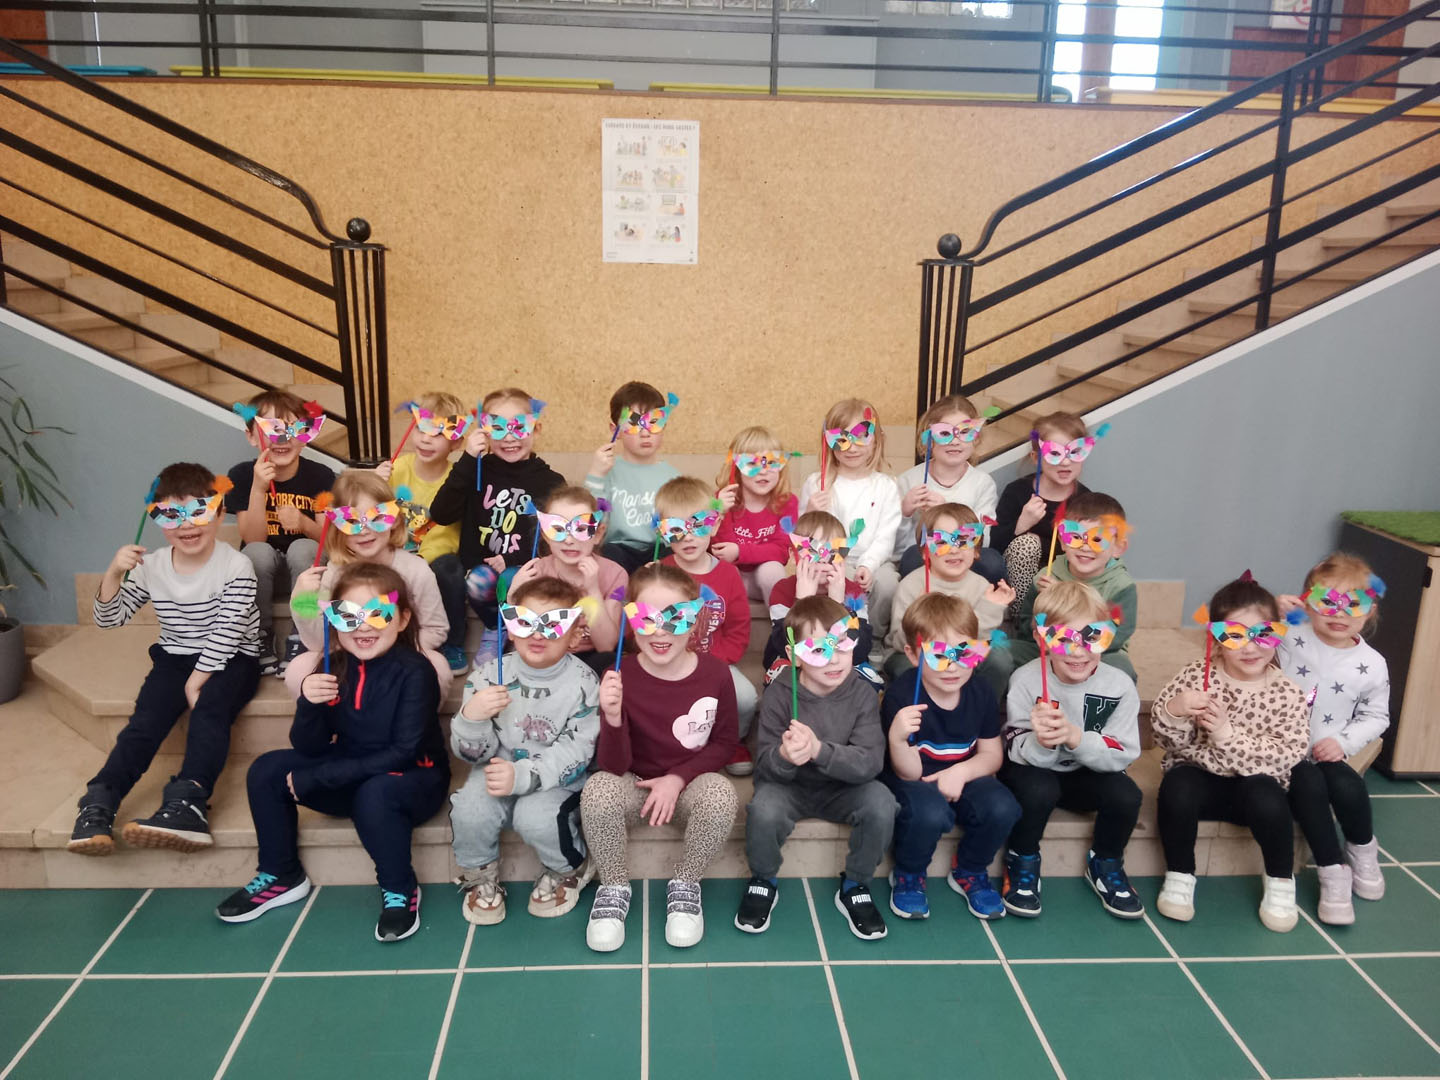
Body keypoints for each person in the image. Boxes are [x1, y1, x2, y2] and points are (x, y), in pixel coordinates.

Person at [216, 562, 449, 942]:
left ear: (403, 619)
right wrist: (308, 703)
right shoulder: (332, 666)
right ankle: (281, 873)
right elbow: (308, 746)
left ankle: (400, 888)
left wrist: (322, 777)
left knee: (376, 793)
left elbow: (405, 752)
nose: (363, 627)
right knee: (266, 769)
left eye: (378, 614)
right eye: (348, 615)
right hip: (352, 769)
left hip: (411, 779)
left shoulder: (416, 672)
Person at [70, 463, 261, 855]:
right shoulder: (151, 566)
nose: (186, 526)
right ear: (156, 519)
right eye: (171, 515)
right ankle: (100, 799)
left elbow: (228, 632)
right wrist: (114, 573)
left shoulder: (237, 565)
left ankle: (189, 802)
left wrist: (197, 680)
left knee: (208, 712)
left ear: (220, 513)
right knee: (145, 723)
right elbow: (109, 619)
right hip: (175, 656)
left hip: (232, 658)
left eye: (198, 512)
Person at [581, 564, 739, 952]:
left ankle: (686, 883)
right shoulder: (620, 675)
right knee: (597, 790)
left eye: (675, 617)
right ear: (631, 620)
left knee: (721, 795)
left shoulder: (717, 675)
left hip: (688, 787)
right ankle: (613, 886)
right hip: (633, 783)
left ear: (695, 620)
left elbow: (724, 744)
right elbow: (614, 767)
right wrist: (612, 717)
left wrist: (678, 778)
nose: (660, 631)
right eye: (646, 618)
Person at [1151, 573, 1309, 932]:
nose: (1250, 647)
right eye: (1235, 636)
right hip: (1201, 781)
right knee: (1177, 785)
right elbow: (1168, 742)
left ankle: (1280, 880)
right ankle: (1179, 874)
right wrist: (1175, 710)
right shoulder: (1198, 675)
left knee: (1268, 795)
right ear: (1216, 639)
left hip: (1254, 789)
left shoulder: (1287, 692)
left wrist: (1226, 735)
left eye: (1263, 634)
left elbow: (1287, 754)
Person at [737, 596, 895, 940]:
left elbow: (870, 762)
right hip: (789, 788)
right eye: (818, 649)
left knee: (881, 802)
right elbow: (764, 768)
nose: (833, 658)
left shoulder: (863, 694)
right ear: (794, 655)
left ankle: (856, 883)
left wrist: (819, 751)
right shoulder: (779, 694)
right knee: (763, 809)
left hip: (845, 787)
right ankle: (763, 878)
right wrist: (784, 756)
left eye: (842, 645)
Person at [449, 575, 601, 924]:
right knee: (470, 808)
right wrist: (471, 719)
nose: (537, 634)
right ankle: (480, 874)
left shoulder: (583, 684)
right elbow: (472, 755)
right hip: (495, 769)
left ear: (575, 635)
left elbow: (577, 750)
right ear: (510, 628)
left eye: (552, 625)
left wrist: (522, 776)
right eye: (526, 622)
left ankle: (569, 868)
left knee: (535, 818)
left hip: (558, 780)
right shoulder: (487, 676)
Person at [1001, 581, 1144, 919]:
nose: (1078, 652)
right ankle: (1022, 858)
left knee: (1127, 795)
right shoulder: (1025, 680)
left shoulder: (1120, 685)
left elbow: (1124, 751)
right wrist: (1043, 741)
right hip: (1035, 769)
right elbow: (1016, 748)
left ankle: (1106, 862)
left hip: (1088, 771)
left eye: (1092, 637)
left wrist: (1076, 738)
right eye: (1063, 639)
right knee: (1038, 790)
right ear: (1041, 639)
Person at [880, 593, 1020, 920]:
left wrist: (960, 773)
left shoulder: (981, 692)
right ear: (913, 655)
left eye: (963, 653)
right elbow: (907, 773)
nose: (953, 666)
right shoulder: (902, 695)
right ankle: (909, 873)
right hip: (915, 778)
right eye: (938, 655)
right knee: (928, 812)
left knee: (1003, 806)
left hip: (964, 774)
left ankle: (970, 869)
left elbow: (991, 756)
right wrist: (898, 739)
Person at [1276, 553, 1391, 924]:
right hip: (1284, 751)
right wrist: (1273, 611)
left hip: (1327, 751)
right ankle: (1331, 869)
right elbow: (1241, 639)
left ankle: (1362, 848)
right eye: (1327, 602)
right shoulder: (1291, 634)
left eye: (1353, 604)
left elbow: (1377, 716)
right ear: (1307, 603)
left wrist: (1343, 742)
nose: (1339, 613)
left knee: (1347, 785)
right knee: (1308, 786)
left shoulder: (1372, 664)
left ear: (1370, 611)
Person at [283, 469, 452, 697]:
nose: (364, 530)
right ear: (337, 528)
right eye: (351, 521)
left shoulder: (416, 570)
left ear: (395, 520)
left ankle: (412, 718)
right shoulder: (334, 573)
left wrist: (386, 647)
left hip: (402, 658)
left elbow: (436, 629)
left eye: (377, 518)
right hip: (348, 659)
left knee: (438, 667)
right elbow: (318, 643)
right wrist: (302, 603)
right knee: (299, 669)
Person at [431, 387, 565, 667]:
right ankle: (495, 626)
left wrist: (512, 558)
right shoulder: (475, 469)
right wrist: (469, 459)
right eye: (498, 427)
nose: (509, 437)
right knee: (477, 581)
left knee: (515, 578)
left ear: (536, 429)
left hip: (525, 567)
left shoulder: (550, 482)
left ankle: (508, 631)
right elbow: (441, 514)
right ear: (484, 431)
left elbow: (554, 536)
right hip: (482, 570)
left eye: (519, 427)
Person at [226, 390, 336, 674]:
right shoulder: (241, 475)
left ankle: (302, 634)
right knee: (256, 552)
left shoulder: (321, 476)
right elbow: (252, 539)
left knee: (303, 547)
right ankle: (260, 634)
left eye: (293, 429)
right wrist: (258, 489)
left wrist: (303, 523)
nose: (283, 438)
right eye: (272, 429)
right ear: (251, 436)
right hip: (262, 576)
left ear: (306, 435)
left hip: (305, 573)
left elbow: (329, 540)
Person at [656, 476, 757, 775]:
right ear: (663, 532)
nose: (688, 537)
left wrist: (716, 663)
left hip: (715, 661)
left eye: (698, 526)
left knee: (745, 697)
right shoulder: (659, 574)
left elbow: (739, 629)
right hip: (668, 662)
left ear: (714, 526)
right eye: (677, 529)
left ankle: (731, 740)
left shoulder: (728, 575)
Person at [798, 398, 902, 645]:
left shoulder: (886, 486)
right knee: (837, 580)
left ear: (876, 439)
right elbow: (803, 535)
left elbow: (886, 535)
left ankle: (872, 637)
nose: (851, 447)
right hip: (830, 558)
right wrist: (810, 511)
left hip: (875, 560)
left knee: (888, 584)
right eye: (841, 439)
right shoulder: (817, 483)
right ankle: (838, 635)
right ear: (828, 441)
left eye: (861, 436)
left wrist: (868, 565)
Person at [377, 392, 468, 673]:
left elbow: (448, 534)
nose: (427, 439)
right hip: (395, 551)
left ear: (456, 442)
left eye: (438, 433)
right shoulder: (396, 469)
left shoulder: (457, 479)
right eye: (421, 428)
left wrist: (420, 559)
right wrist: (375, 485)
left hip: (436, 556)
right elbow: (373, 515)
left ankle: (453, 642)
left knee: (449, 570)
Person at [885, 501, 1015, 695]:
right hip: (913, 654)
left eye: (964, 540)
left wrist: (990, 608)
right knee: (906, 668)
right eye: (941, 542)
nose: (954, 550)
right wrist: (916, 617)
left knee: (999, 658)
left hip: (963, 655)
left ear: (976, 550)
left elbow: (979, 642)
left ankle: (980, 706)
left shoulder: (982, 586)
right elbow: (899, 642)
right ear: (924, 552)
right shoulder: (911, 585)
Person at [1010, 492, 1138, 681]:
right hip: (1046, 649)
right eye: (1076, 537)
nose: (1085, 547)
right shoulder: (1046, 577)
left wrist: (1064, 596)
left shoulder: (1121, 586)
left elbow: (1117, 635)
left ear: (1118, 548)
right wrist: (1047, 603)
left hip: (1099, 654)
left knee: (1122, 669)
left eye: (1097, 540)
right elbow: (1027, 625)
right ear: (1062, 541)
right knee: (1000, 654)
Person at [509, 486, 626, 675]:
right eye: (558, 529)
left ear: (597, 534)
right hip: (544, 652)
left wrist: (593, 590)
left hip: (591, 657)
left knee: (608, 662)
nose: (569, 540)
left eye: (581, 529)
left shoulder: (615, 574)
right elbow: (520, 634)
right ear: (545, 535)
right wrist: (512, 596)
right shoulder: (536, 572)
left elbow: (606, 646)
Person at [990, 411, 1093, 620]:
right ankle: (1022, 621)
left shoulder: (1085, 501)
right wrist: (1021, 525)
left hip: (1064, 580)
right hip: (1020, 581)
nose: (1065, 463)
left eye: (1074, 453)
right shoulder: (1017, 491)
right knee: (1026, 544)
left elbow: (1086, 552)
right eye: (1055, 453)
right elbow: (994, 546)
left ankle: (1061, 622)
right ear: (1037, 458)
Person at [895, 394, 1002, 583]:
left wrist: (948, 513)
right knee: (912, 557)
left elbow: (983, 541)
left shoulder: (983, 483)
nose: (955, 441)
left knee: (992, 561)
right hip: (923, 559)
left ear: (976, 438)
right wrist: (905, 513)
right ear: (929, 439)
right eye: (945, 434)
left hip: (966, 559)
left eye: (965, 432)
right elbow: (897, 548)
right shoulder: (909, 480)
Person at [762, 510, 878, 682]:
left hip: (843, 665)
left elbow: (860, 651)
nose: (824, 559)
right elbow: (783, 647)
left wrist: (838, 605)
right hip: (797, 666)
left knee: (869, 682)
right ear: (793, 556)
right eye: (813, 550)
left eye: (834, 551)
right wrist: (802, 603)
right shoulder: (783, 590)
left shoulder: (853, 592)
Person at [584, 381, 681, 573]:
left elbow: (681, 525)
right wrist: (596, 475)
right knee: (609, 555)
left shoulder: (673, 477)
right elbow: (590, 521)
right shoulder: (606, 470)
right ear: (615, 430)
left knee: (673, 556)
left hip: (658, 550)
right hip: (618, 549)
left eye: (653, 422)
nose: (645, 433)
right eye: (635, 423)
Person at [712, 426, 800, 603]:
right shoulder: (720, 501)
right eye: (752, 463)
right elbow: (720, 551)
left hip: (765, 578)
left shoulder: (788, 503)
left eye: (772, 462)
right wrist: (721, 512)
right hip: (729, 577)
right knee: (725, 571)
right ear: (736, 468)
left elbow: (781, 552)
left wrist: (739, 551)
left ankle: (781, 619)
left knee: (771, 570)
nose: (763, 470)